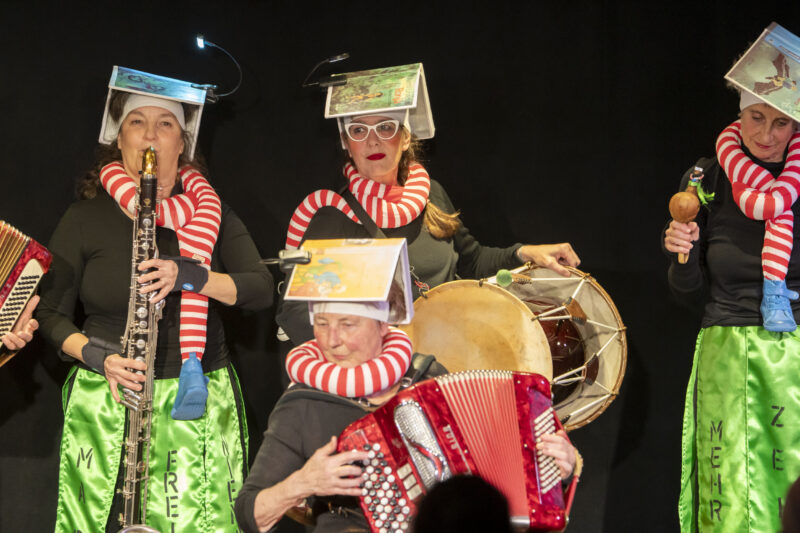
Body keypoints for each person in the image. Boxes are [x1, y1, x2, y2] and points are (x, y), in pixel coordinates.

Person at [36, 67, 273, 532]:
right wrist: (98, 357)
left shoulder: (212, 211)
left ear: (182, 143)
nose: (150, 135)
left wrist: (192, 277)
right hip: (108, 396)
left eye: (165, 124)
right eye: (136, 122)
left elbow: (260, 289)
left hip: (194, 398)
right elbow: (49, 313)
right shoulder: (85, 217)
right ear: (119, 138)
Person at [235, 268, 577, 533]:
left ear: (384, 324)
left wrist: (552, 469)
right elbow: (249, 513)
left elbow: (484, 473)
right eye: (321, 323)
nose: (331, 340)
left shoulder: (428, 376)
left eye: (348, 324)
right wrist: (303, 483)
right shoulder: (303, 404)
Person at [277, 63, 580, 347]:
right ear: (347, 143)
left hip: (452, 356)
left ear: (405, 138)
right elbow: (294, 313)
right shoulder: (334, 217)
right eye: (359, 130)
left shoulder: (431, 194)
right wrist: (367, 347)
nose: (372, 141)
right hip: (390, 371)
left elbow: (472, 263)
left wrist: (524, 253)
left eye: (385, 127)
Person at [664, 58, 800, 530]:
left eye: (781, 122)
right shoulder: (705, 179)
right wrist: (682, 255)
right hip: (725, 349)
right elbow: (687, 294)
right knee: (730, 495)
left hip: (794, 355)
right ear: (740, 112)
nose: (766, 134)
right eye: (756, 117)